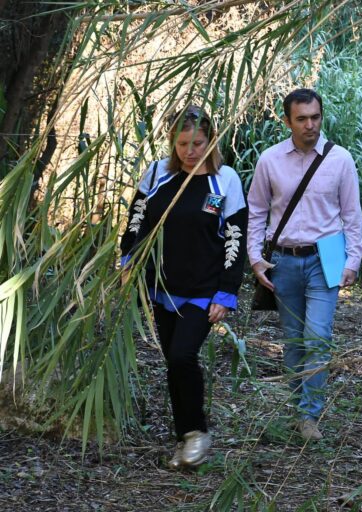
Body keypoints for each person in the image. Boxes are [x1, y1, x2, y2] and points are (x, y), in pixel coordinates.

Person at [120, 105, 247, 469]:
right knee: (172, 362)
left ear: (212, 141)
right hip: (161, 286)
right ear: (172, 142)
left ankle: (197, 433)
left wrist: (227, 291)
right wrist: (128, 260)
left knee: (182, 356)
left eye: (198, 143)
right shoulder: (158, 173)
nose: (191, 152)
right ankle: (185, 438)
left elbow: (235, 237)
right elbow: (137, 219)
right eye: (182, 144)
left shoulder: (225, 180)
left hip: (203, 289)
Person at [247, 88, 362, 441]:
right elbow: (256, 211)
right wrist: (255, 258)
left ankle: (310, 415)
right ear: (287, 121)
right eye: (301, 119)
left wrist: (353, 260)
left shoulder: (340, 159)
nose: (310, 125)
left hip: (326, 256)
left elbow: (352, 215)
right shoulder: (270, 159)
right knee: (293, 340)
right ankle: (298, 408)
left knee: (318, 337)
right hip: (283, 259)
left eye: (315, 117)